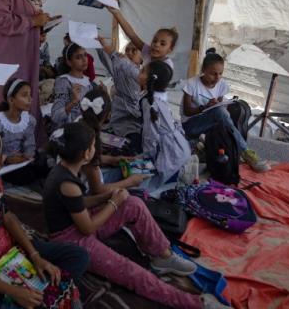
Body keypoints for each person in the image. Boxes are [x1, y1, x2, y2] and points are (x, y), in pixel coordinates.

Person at [42, 122, 230, 309]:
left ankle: (162, 255)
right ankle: (197, 304)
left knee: (133, 203)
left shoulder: (67, 170)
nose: (95, 150)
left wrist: (109, 196)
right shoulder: (67, 183)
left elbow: (80, 204)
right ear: (85, 153)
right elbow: (87, 227)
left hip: (79, 225)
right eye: (93, 146)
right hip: (71, 241)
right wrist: (113, 203)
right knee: (131, 272)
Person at [0, 125, 89, 309]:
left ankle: (43, 293)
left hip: (10, 251)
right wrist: (13, 291)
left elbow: (7, 216)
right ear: (0, 160)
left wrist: (35, 255)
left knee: (79, 256)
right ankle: (42, 295)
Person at [181, 49, 269, 172]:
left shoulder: (222, 84)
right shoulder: (191, 84)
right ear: (203, 70)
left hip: (210, 125)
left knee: (225, 115)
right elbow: (187, 111)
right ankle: (245, 151)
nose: (217, 77)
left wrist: (221, 107)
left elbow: (221, 108)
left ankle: (232, 154)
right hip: (190, 126)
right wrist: (205, 107)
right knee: (220, 114)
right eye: (213, 73)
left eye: (220, 73)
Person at [78, 89, 146, 194]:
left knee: (121, 171)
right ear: (108, 115)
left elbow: (88, 161)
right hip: (87, 191)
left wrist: (112, 159)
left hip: (84, 180)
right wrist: (130, 182)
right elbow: (97, 190)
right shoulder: (88, 142)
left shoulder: (77, 126)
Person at [140, 61, 191, 192]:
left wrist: (147, 158)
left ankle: (176, 176)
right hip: (180, 147)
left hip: (173, 151)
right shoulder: (159, 96)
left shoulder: (149, 102)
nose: (139, 73)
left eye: (142, 71)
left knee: (147, 185)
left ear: (150, 79)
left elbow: (150, 135)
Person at [0, 78, 46, 186]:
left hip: (21, 165)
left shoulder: (29, 120)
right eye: (24, 95)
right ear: (11, 100)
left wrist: (26, 156)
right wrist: (6, 159)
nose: (30, 99)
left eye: (30, 95)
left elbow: (30, 148)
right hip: (2, 169)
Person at [97, 39, 143, 154]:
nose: (129, 53)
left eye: (134, 50)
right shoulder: (120, 69)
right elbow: (106, 59)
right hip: (121, 119)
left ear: (142, 58)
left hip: (137, 120)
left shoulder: (142, 76)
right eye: (127, 50)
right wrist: (98, 44)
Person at [106, 7, 177, 69]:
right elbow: (132, 35)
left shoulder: (167, 65)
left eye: (162, 44)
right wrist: (117, 13)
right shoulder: (148, 52)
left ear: (170, 50)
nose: (156, 44)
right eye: (154, 41)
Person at [51, 43, 95, 129]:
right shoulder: (63, 82)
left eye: (85, 55)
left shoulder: (88, 82)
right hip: (68, 131)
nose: (84, 59)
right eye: (78, 57)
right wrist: (73, 101)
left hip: (84, 130)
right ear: (69, 62)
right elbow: (55, 116)